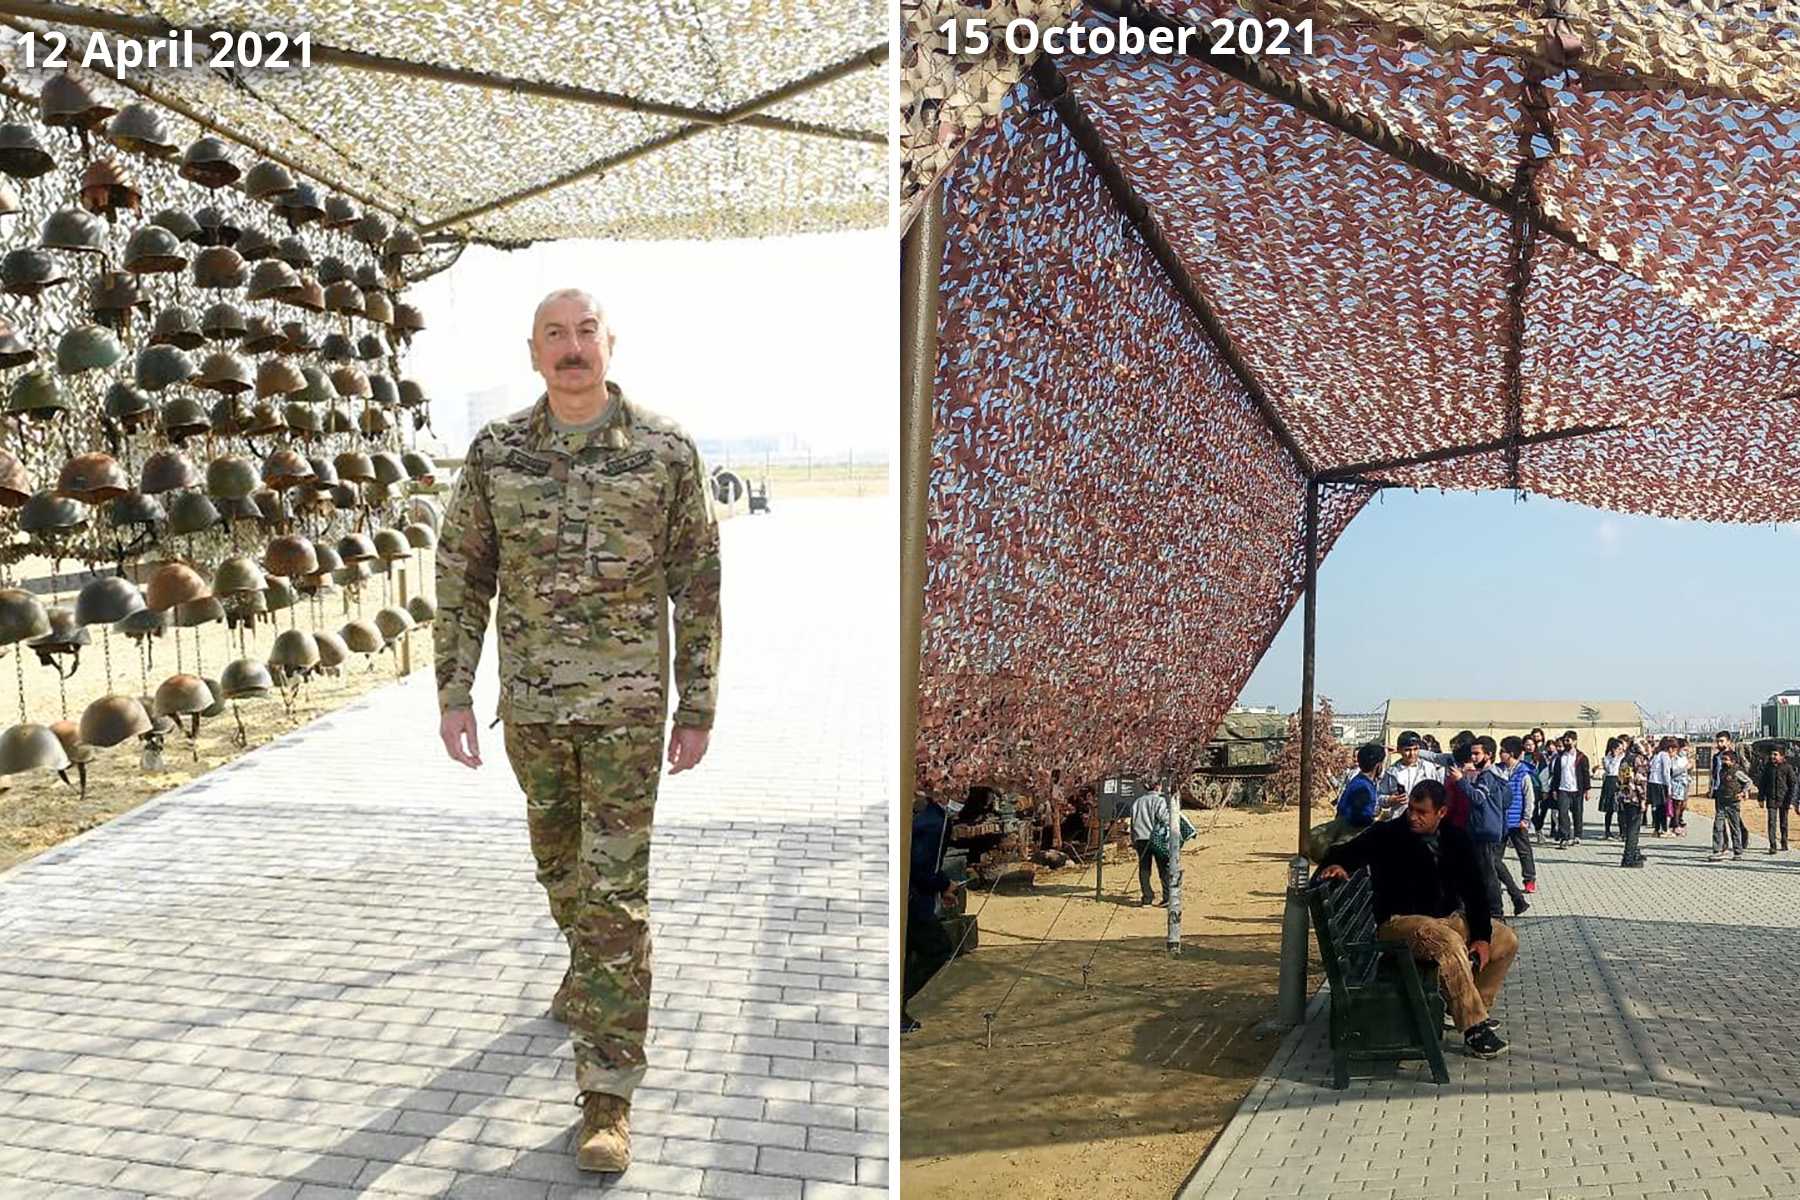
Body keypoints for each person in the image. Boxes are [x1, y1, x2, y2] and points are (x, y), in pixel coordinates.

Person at [433, 288, 721, 1173]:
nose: (571, 348)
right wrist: (453, 692)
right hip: (533, 712)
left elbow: (699, 581)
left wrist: (697, 700)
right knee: (561, 868)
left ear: (608, 344)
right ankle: (592, 967)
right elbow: (461, 575)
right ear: (533, 354)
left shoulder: (665, 451)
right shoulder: (496, 453)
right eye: (554, 335)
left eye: (584, 332)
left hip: (629, 718)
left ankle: (607, 1094)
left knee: (614, 896)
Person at [1317, 780, 1517, 1060]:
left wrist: (1482, 937)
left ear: (1442, 813)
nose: (1413, 816)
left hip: (1443, 919)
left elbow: (1475, 890)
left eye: (1422, 812)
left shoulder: (1456, 839)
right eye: (1411, 809)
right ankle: (1474, 1027)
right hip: (1398, 924)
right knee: (1447, 942)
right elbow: (1345, 853)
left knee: (1505, 940)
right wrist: (1336, 865)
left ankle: (1473, 1007)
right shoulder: (1388, 834)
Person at [904, 794, 963, 1033]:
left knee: (908, 951)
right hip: (913, 899)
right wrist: (944, 884)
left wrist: (942, 888)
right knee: (937, 948)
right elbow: (922, 867)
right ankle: (895, 1002)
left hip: (912, 895)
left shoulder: (931, 817)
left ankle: (897, 1007)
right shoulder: (935, 824)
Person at [1473, 736, 1528, 918]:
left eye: (1476, 754)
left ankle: (1499, 910)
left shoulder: (1493, 774)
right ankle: (1516, 898)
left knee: (1491, 869)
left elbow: (1480, 798)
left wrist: (1463, 782)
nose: (1473, 757)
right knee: (1495, 863)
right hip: (1499, 824)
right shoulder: (1501, 772)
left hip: (1495, 826)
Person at [1378, 731, 1442, 821]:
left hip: (1424, 820)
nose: (1412, 754)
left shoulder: (1428, 768)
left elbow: (1439, 794)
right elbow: (1379, 797)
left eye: (1415, 749)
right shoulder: (1391, 772)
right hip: (1400, 820)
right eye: (1407, 750)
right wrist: (1390, 800)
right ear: (1399, 750)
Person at [1132, 786, 1173, 906]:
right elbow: (1164, 818)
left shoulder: (1137, 801)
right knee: (1163, 866)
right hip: (1156, 838)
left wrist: (1133, 839)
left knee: (1144, 868)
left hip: (1140, 838)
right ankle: (1167, 897)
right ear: (1158, 786)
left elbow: (1133, 821)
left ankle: (1147, 897)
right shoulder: (1159, 800)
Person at [1710, 732, 1748, 861]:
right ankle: (1719, 848)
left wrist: (1744, 792)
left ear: (1728, 741)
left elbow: (1745, 777)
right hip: (1720, 796)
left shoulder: (1736, 757)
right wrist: (1712, 789)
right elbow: (1714, 775)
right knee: (1718, 824)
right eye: (1718, 741)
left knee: (1735, 825)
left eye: (1722, 741)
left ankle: (1739, 847)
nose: (1719, 744)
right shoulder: (1716, 758)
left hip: (1733, 798)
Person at [1550, 731, 1590, 847]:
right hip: (1563, 789)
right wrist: (1554, 789)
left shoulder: (1582, 757)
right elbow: (1556, 775)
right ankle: (1564, 836)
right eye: (1565, 740)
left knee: (1577, 813)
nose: (1566, 743)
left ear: (1575, 741)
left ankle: (1577, 835)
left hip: (1577, 789)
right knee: (1563, 813)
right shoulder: (1560, 757)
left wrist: (1587, 790)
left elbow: (1585, 774)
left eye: (1568, 740)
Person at [1759, 746, 1797, 854]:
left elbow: (1792, 785)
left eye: (1775, 754)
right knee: (1771, 822)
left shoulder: (1787, 768)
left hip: (1784, 799)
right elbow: (1762, 784)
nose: (1772, 757)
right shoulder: (1767, 767)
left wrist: (1791, 801)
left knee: (1783, 823)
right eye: (1771, 754)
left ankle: (1784, 843)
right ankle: (1772, 845)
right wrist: (1761, 798)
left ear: (1782, 756)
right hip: (1771, 799)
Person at [1617, 738, 1648, 867]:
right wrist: (1643, 799)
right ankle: (1628, 858)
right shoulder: (1638, 760)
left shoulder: (1625, 759)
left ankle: (1634, 852)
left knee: (1629, 826)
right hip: (1635, 797)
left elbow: (1620, 779)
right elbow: (1640, 781)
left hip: (1624, 796)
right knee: (1633, 829)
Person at [1648, 736, 1673, 837]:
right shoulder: (1664, 755)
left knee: (1656, 807)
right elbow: (1666, 772)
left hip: (1652, 782)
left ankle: (1656, 829)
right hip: (1660, 783)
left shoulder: (1656, 754)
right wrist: (1669, 786)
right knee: (1662, 806)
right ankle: (1664, 829)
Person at [1599, 736, 1623, 839]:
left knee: (1620, 808)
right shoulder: (1606, 758)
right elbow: (1609, 769)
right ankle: (1607, 831)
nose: (1620, 751)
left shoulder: (1623, 757)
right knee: (1609, 809)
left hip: (1619, 780)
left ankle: (1622, 831)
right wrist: (1614, 757)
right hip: (1610, 781)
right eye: (1619, 749)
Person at [1669, 737, 1692, 832]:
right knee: (1677, 804)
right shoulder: (1674, 758)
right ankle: (1675, 823)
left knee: (1683, 804)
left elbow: (1688, 771)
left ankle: (1679, 819)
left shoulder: (1685, 758)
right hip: (1676, 783)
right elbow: (1673, 771)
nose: (1686, 751)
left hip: (1685, 782)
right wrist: (1685, 768)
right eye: (1684, 749)